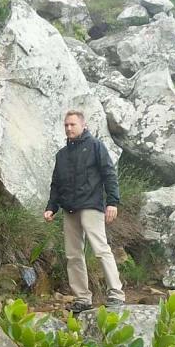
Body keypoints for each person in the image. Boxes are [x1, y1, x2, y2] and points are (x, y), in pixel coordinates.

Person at [43, 110, 124, 312]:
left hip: (91, 206)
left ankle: (116, 293)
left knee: (100, 249)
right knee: (73, 255)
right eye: (66, 125)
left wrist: (112, 202)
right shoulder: (61, 155)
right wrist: (51, 207)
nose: (69, 128)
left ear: (83, 125)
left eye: (73, 124)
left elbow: (109, 174)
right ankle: (82, 298)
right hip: (69, 209)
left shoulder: (96, 146)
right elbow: (56, 184)